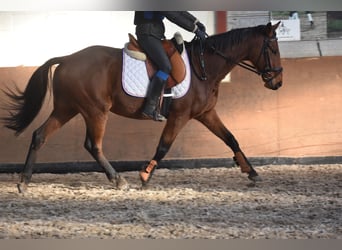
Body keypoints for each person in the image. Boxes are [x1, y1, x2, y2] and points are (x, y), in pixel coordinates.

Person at [134, 11, 206, 121]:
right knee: (165, 67)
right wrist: (194, 30)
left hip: (155, 33)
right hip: (148, 34)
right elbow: (173, 15)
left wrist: (196, 22)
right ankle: (150, 108)